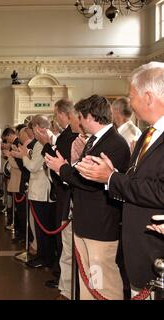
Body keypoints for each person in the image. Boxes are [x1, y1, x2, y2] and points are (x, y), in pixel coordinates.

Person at [75, 62, 164, 297]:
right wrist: (114, 175)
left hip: (155, 248)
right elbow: (136, 180)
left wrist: (111, 177)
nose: (129, 102)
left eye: (131, 95)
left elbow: (160, 191)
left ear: (148, 96)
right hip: (139, 244)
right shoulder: (148, 134)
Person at [45, 95, 131, 300]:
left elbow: (90, 181)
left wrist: (62, 168)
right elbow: (82, 174)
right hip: (85, 220)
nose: (79, 123)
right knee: (88, 277)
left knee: (102, 279)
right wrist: (70, 164)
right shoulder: (94, 141)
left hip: (100, 224)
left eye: (81, 118)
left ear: (90, 116)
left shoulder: (115, 143)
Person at [35, 99, 79, 297]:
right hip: (63, 194)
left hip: (66, 195)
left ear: (63, 114)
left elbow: (58, 168)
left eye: (56, 114)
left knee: (66, 246)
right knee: (65, 245)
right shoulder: (67, 136)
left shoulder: (68, 137)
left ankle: (67, 286)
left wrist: (46, 144)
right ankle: (65, 284)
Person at [11, 115, 57, 270]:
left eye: (31, 129)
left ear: (37, 127)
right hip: (39, 190)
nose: (31, 133)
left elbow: (32, 167)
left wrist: (23, 155)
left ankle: (45, 258)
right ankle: (43, 256)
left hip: (41, 191)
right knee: (39, 228)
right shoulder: (41, 143)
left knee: (42, 228)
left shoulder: (41, 144)